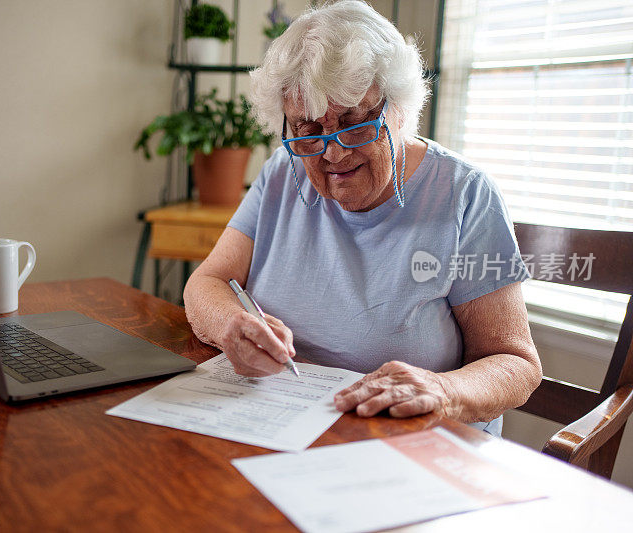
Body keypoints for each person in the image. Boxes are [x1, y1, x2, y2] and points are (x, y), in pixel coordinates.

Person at [183, 0, 542, 436]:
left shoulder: (464, 194)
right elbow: (206, 283)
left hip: (411, 443)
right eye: (309, 131)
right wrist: (230, 328)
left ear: (400, 109)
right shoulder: (284, 172)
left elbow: (516, 364)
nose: (332, 152)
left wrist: (442, 390)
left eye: (353, 123)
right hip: (285, 427)